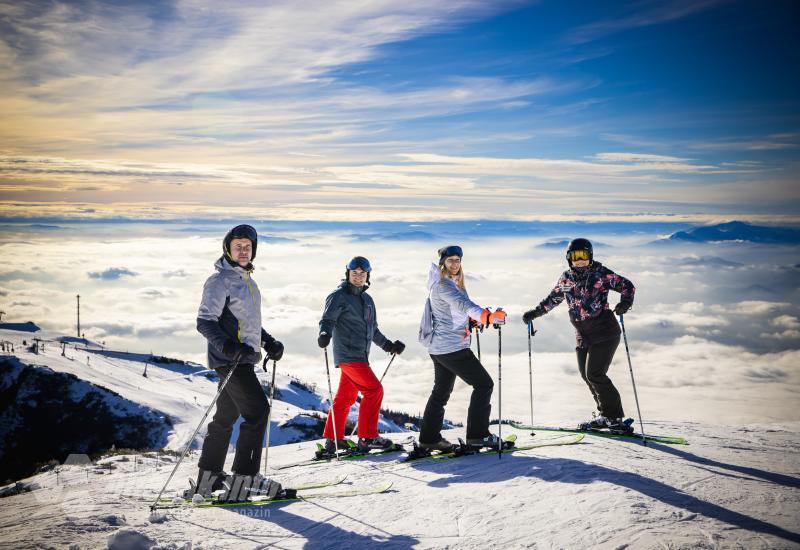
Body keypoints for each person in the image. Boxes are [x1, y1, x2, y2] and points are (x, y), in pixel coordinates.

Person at [194, 224, 285, 500]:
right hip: (230, 360)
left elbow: (248, 324)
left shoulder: (248, 281)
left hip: (241, 358)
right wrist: (232, 348)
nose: (243, 250)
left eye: (248, 246)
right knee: (258, 412)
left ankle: (207, 481)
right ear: (228, 249)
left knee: (225, 418)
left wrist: (268, 342)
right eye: (238, 246)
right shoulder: (219, 280)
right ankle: (244, 479)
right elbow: (204, 322)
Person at [522, 238, 635, 432]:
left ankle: (614, 417)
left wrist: (625, 303)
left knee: (595, 374)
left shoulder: (600, 273)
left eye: (584, 255)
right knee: (586, 375)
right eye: (576, 256)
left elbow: (627, 286)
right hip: (583, 335)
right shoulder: (566, 278)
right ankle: (605, 415)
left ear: (590, 256)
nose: (580, 260)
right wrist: (535, 312)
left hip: (605, 331)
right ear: (569, 258)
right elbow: (553, 298)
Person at [417, 245, 506, 451]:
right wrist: (487, 317)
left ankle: (429, 439)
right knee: (484, 385)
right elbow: (465, 306)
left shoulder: (452, 283)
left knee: (440, 393)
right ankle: (478, 435)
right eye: (450, 261)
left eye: (458, 260)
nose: (455, 264)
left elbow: (457, 311)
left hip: (440, 348)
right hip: (452, 348)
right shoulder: (444, 286)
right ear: (442, 263)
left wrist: (473, 321)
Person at [317, 256, 405, 454]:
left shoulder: (367, 300)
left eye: (362, 274)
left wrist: (389, 346)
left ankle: (334, 439)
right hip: (349, 354)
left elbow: (372, 329)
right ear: (347, 274)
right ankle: (367, 437)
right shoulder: (338, 296)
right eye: (354, 273)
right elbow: (327, 319)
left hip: (360, 355)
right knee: (374, 390)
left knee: (345, 397)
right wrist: (324, 334)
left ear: (367, 276)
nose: (358, 277)